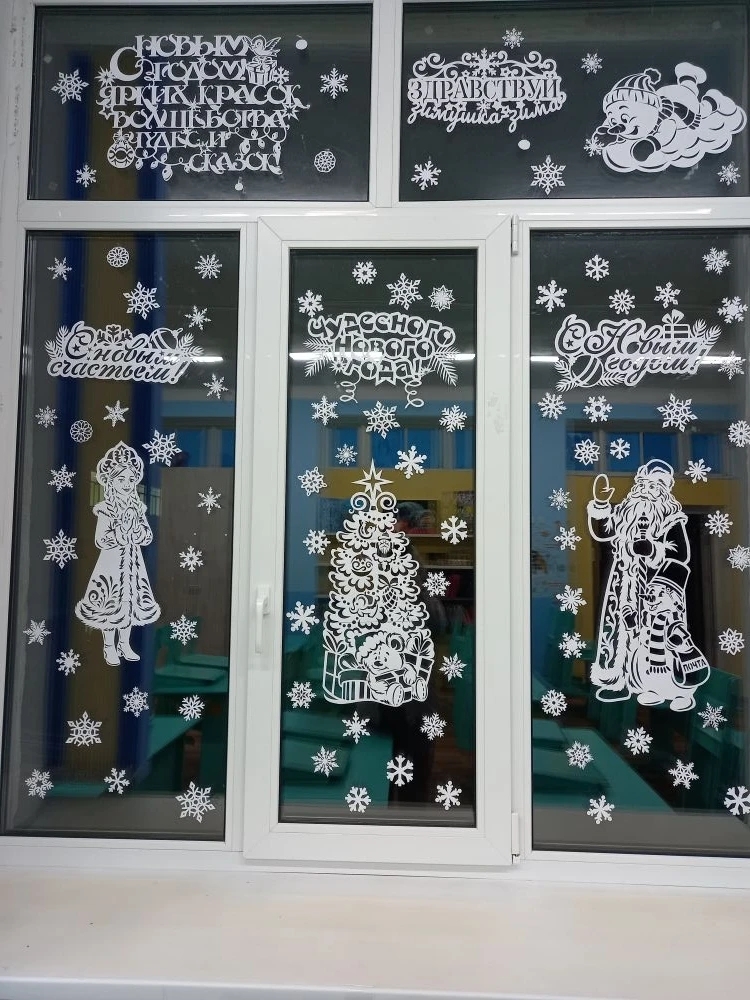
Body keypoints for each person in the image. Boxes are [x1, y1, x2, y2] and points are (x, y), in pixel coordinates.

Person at [587, 460, 710, 712]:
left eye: (655, 486)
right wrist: (600, 505)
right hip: (623, 583)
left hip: (655, 588)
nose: (648, 490)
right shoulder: (626, 514)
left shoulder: (671, 520)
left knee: (653, 638)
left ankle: (659, 686)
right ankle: (617, 680)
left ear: (665, 490)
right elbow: (604, 533)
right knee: (620, 630)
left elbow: (681, 554)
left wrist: (653, 549)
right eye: (644, 484)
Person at [75, 442, 160, 665]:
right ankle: (108, 646)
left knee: (129, 605)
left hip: (133, 563)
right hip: (112, 564)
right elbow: (100, 539)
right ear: (111, 481)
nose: (126, 484)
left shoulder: (138, 507)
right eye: (121, 479)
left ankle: (124, 643)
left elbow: (147, 535)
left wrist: (137, 531)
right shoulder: (106, 508)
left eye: (131, 479)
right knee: (110, 604)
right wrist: (121, 532)